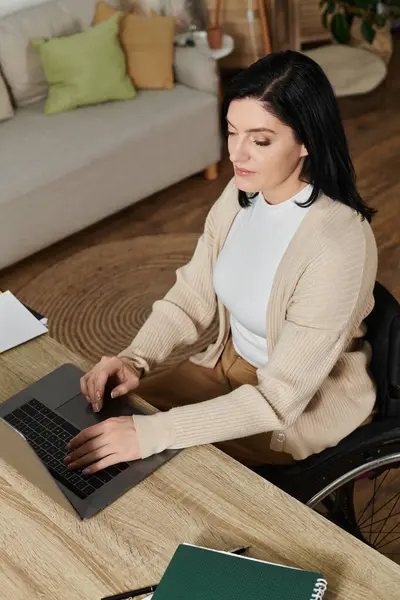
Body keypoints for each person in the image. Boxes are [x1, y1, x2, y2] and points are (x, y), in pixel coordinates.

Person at [64, 50, 378, 476]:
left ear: (307, 140)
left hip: (294, 409)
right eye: (232, 132)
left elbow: (278, 400)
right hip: (221, 366)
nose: (237, 154)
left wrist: (155, 432)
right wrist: (135, 358)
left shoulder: (337, 245)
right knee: (102, 424)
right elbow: (193, 295)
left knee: (151, 467)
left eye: (260, 140)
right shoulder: (240, 194)